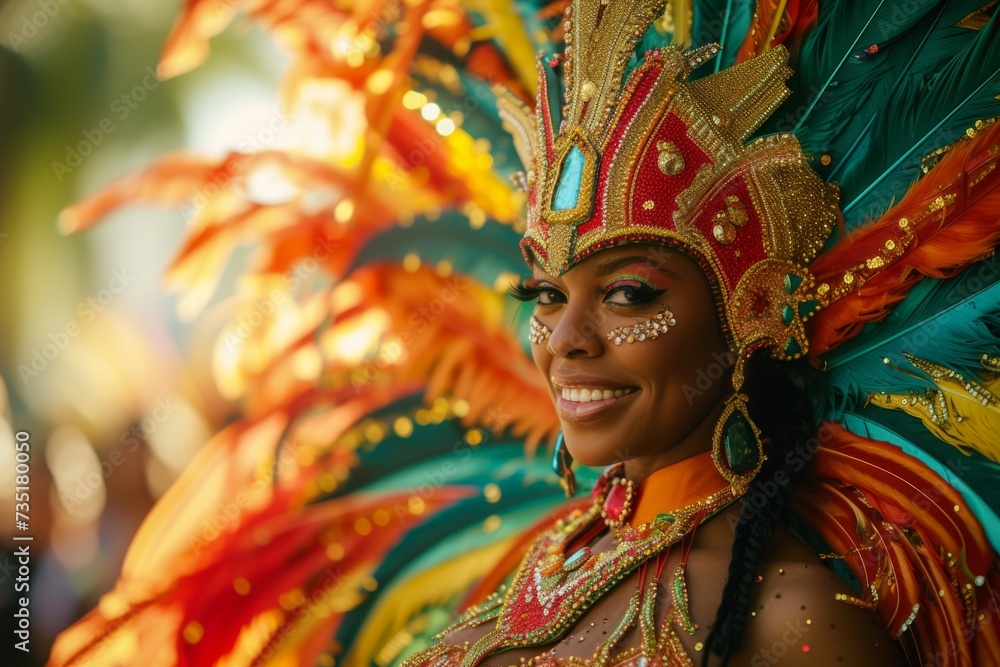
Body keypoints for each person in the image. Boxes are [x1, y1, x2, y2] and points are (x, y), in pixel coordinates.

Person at [48, 1, 1000, 666]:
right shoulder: (549, 561)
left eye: (628, 295)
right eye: (547, 293)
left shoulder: (791, 613)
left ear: (751, 311)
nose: (565, 339)